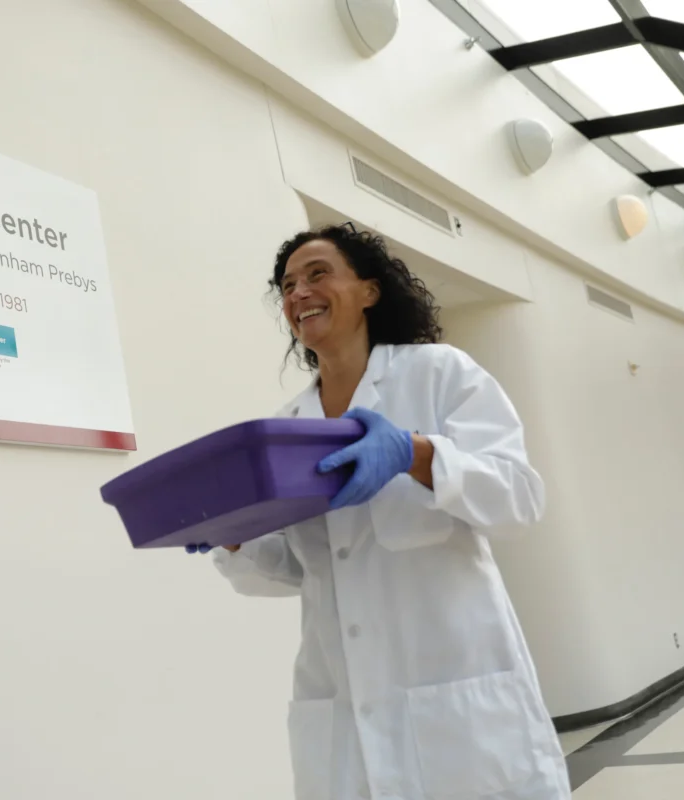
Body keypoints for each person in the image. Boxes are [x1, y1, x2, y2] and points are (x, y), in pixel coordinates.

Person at [201, 224, 570, 800]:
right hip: (342, 707)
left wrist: (417, 454)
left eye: (317, 273)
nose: (298, 292)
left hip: (455, 701)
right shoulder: (289, 427)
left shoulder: (439, 373)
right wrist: (231, 538)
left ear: (370, 290)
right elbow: (299, 568)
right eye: (287, 285)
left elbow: (519, 500)